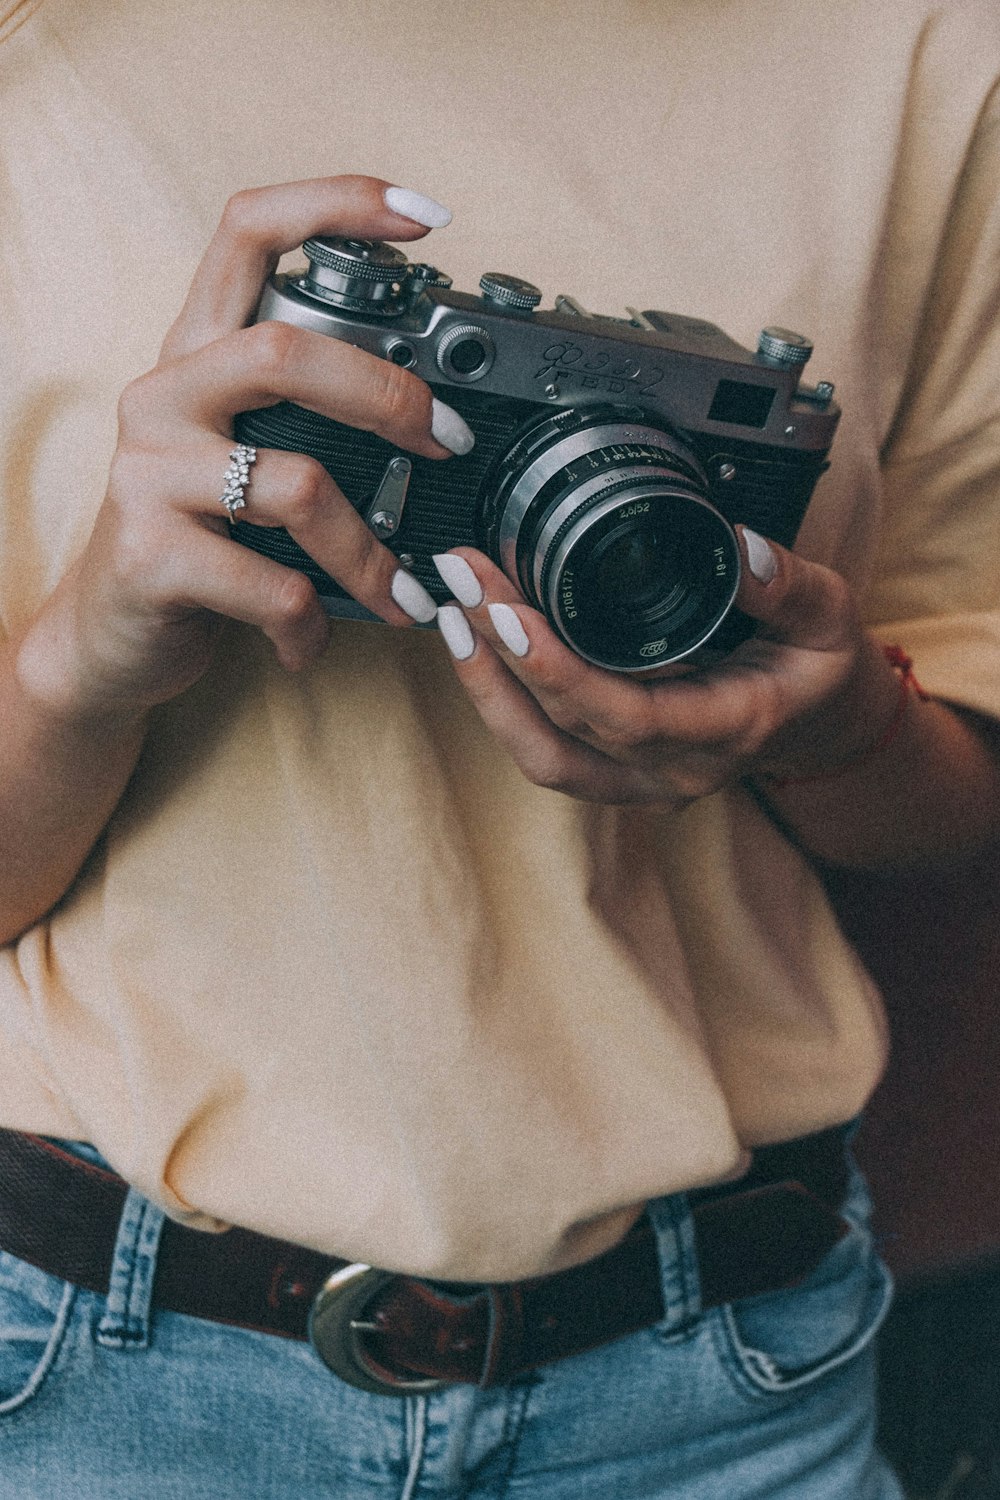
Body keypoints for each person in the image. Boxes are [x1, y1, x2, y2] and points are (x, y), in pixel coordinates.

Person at [0, 0, 998, 1494]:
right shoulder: (42, 56)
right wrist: (83, 661)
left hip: (720, 1381)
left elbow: (950, 815)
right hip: (112, 1363)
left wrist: (837, 721)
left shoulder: (925, 47)